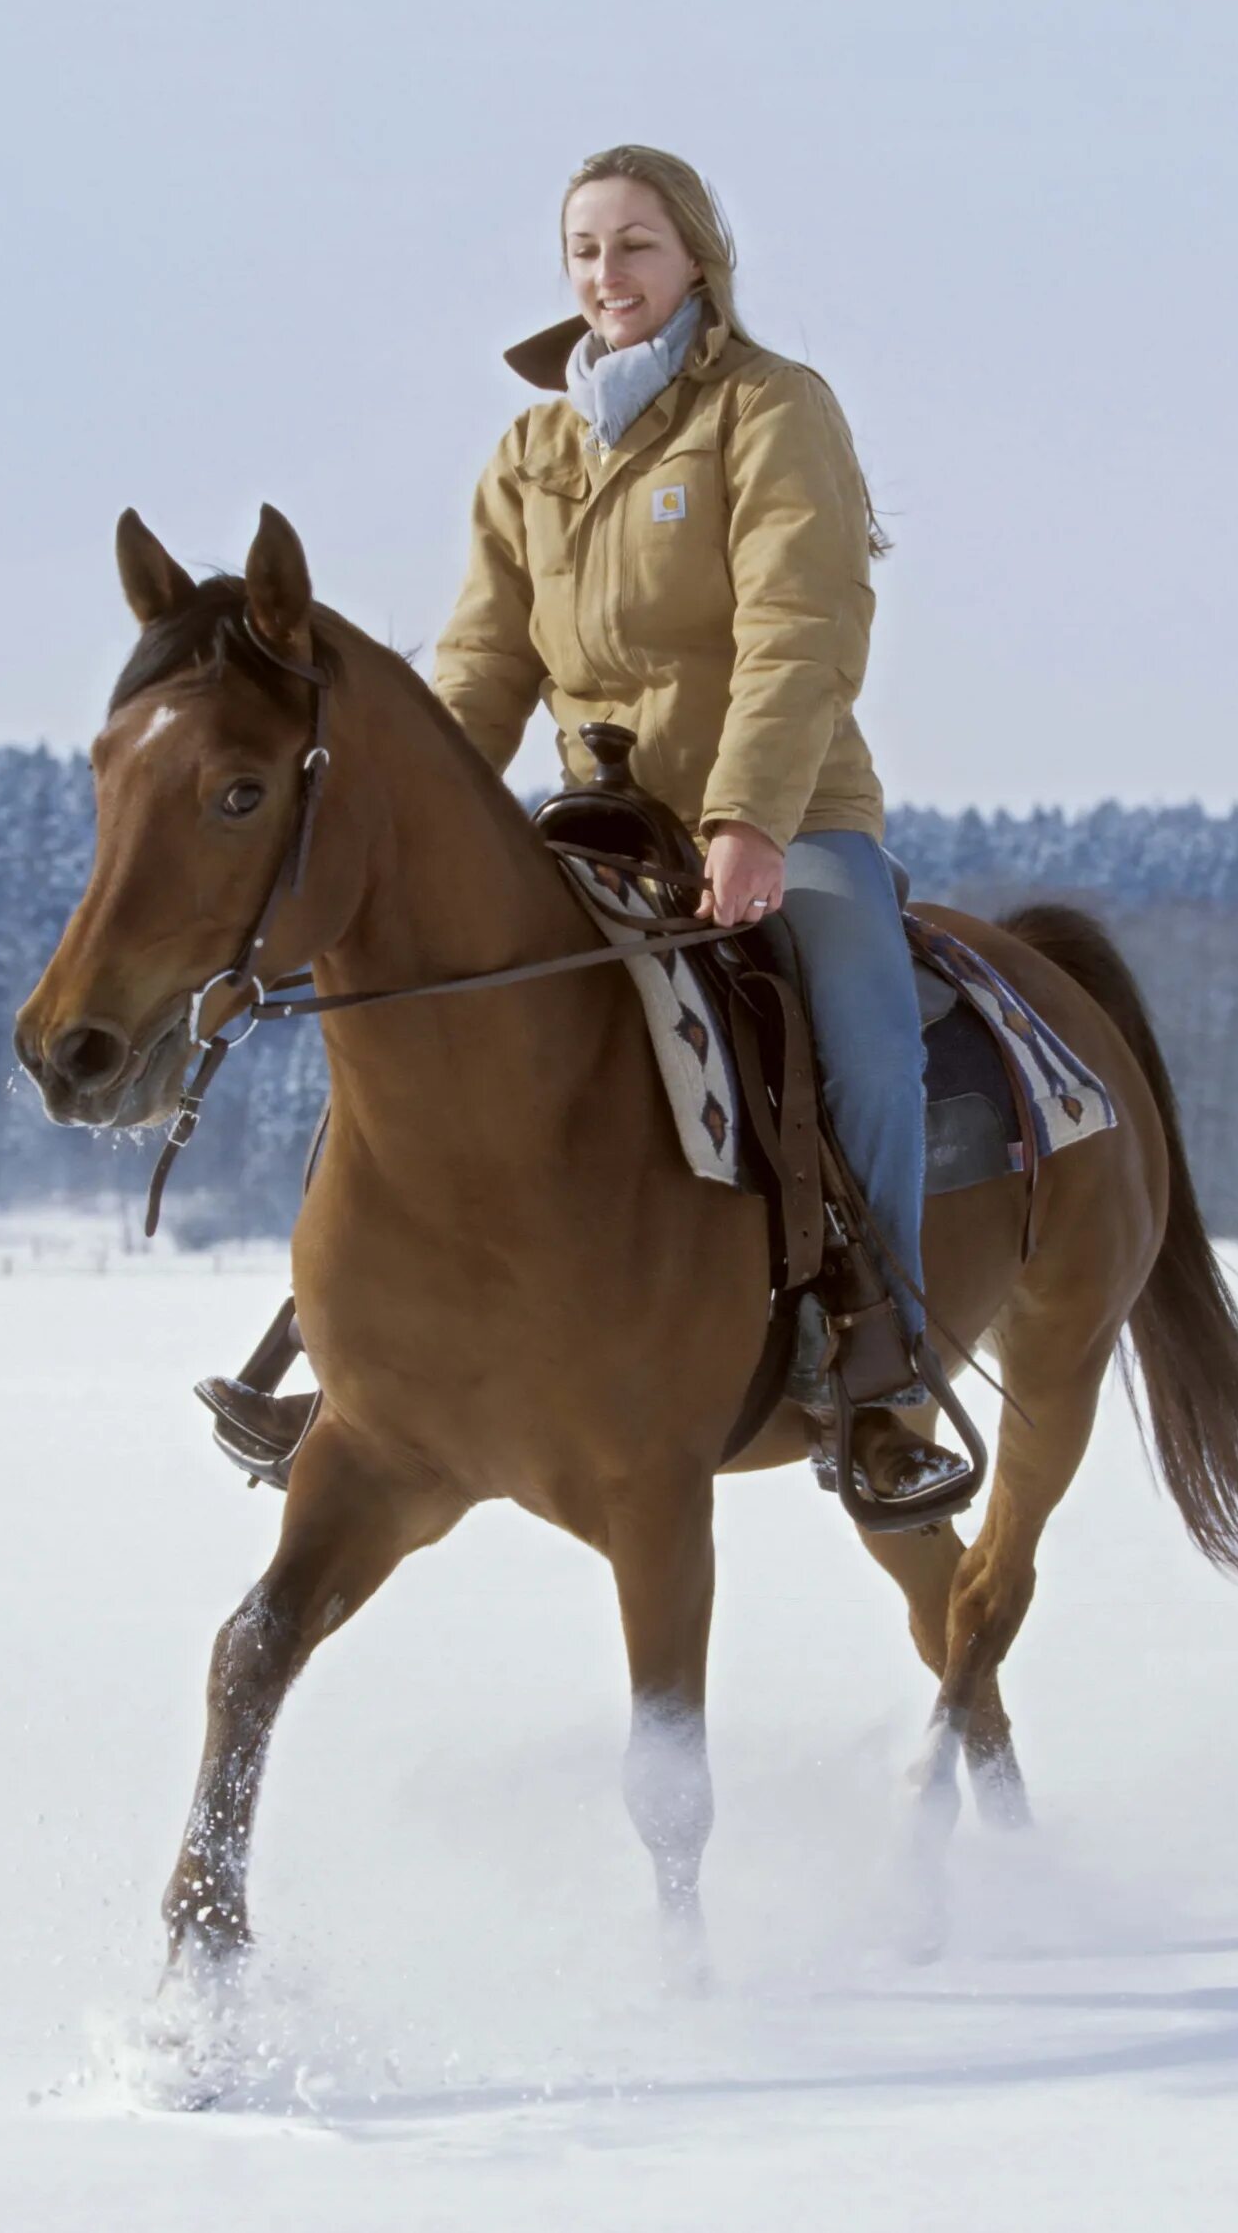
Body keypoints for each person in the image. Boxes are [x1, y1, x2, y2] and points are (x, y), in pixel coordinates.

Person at [198, 143, 968, 1511]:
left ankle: (887, 1362)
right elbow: (482, 671)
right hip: (598, 825)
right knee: (414, 1019)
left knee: (861, 1024)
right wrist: (404, 823)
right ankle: (345, 1341)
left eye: (635, 246)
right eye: (585, 251)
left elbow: (804, 627)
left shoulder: (770, 410)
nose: (606, 275)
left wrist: (749, 821)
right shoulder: (529, 456)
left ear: (696, 262)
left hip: (787, 816)